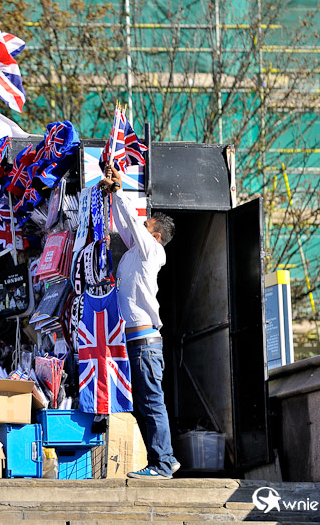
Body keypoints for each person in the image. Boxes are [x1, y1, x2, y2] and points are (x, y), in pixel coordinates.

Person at [103, 164, 180, 479]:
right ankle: (164, 460)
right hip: (132, 342)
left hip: (145, 343)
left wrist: (120, 190)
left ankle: (162, 463)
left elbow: (131, 222)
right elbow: (124, 222)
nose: (139, 226)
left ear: (156, 234)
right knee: (144, 404)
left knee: (151, 403)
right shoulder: (135, 251)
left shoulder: (152, 251)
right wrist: (113, 194)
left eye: (146, 224)